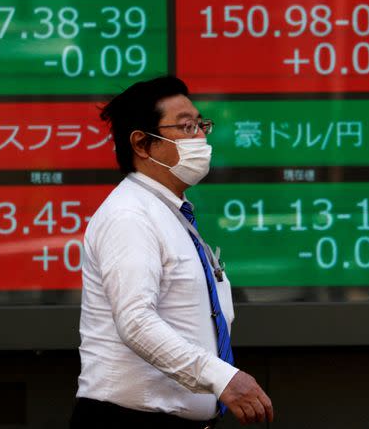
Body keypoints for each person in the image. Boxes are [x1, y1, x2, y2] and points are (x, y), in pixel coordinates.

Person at [70, 76, 273, 428]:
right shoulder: (129, 215)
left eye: (201, 125)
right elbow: (135, 321)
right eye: (186, 127)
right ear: (142, 144)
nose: (201, 138)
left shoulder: (169, 212)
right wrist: (221, 377)